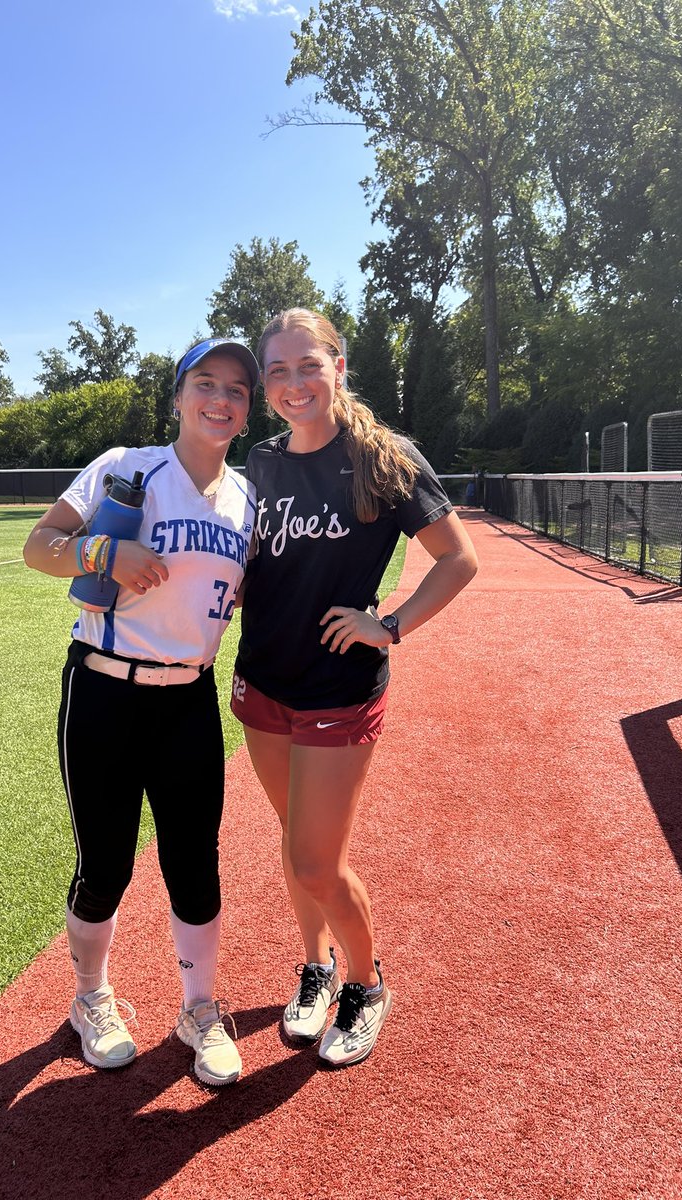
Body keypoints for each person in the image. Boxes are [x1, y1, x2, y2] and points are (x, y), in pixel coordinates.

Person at [231, 308, 478, 1068]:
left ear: (339, 366)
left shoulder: (383, 459)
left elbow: (457, 559)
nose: (294, 382)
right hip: (263, 682)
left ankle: (367, 987)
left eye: (310, 364)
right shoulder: (262, 462)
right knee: (293, 840)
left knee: (316, 861)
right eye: (278, 370)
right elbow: (256, 562)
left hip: (339, 687)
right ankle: (317, 967)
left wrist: (391, 624)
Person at [23, 337, 258, 1086]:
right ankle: (90, 998)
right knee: (106, 864)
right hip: (102, 689)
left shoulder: (248, 500)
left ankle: (200, 1009)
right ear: (179, 396)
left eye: (237, 390)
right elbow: (39, 546)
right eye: (206, 383)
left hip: (188, 698)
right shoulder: (127, 466)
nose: (221, 399)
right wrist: (100, 554)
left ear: (247, 411)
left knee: (196, 862)